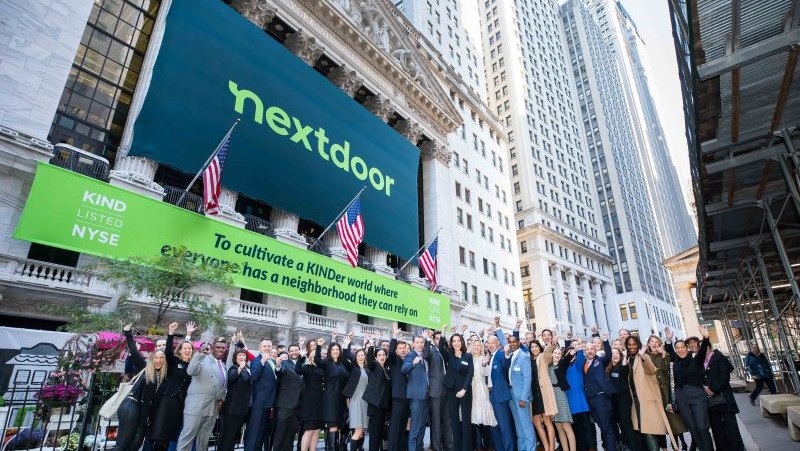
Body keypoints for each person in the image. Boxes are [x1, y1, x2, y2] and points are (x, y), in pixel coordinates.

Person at [115, 327, 166, 451]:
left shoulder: (164, 376)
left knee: (136, 444)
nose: (158, 360)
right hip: (132, 406)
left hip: (144, 412)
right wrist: (128, 333)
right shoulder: (144, 367)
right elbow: (134, 351)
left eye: (161, 358)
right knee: (123, 444)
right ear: (152, 358)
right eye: (156, 357)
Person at [665, 326, 714, 451]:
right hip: (682, 397)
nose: (680, 350)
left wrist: (706, 337)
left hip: (697, 396)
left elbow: (702, 350)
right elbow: (669, 351)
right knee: (692, 427)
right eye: (678, 348)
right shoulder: (675, 362)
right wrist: (669, 340)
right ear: (676, 350)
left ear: (686, 348)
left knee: (702, 427)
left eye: (682, 347)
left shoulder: (695, 359)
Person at [151, 322, 196, 451]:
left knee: (172, 436)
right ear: (180, 351)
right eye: (184, 349)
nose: (187, 350)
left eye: (190, 349)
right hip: (167, 400)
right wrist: (170, 333)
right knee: (160, 435)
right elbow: (168, 352)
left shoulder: (193, 366)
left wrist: (189, 335)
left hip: (181, 404)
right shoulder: (174, 361)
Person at [626, 335, 676, 451]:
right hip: (636, 401)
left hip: (647, 400)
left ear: (638, 344)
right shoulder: (629, 359)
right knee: (644, 431)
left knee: (649, 431)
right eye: (629, 345)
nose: (632, 347)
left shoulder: (644, 356)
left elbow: (651, 370)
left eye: (634, 344)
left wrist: (643, 356)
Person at [177, 338, 228, 451]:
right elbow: (191, 371)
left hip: (213, 407)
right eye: (218, 347)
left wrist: (221, 399)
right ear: (212, 348)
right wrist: (200, 353)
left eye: (223, 348)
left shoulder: (223, 366)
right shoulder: (202, 359)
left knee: (203, 441)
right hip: (196, 405)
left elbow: (224, 386)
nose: (220, 349)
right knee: (187, 437)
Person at [645, 335, 687, 450]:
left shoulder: (665, 355)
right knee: (659, 423)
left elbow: (667, 369)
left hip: (666, 391)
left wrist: (663, 354)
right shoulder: (644, 356)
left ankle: (677, 446)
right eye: (651, 341)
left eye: (656, 341)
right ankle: (663, 447)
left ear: (659, 344)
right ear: (648, 344)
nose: (654, 343)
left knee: (674, 421)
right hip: (653, 393)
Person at [704, 342, 745, 451]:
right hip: (711, 402)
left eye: (705, 347)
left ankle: (737, 449)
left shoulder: (719, 357)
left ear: (710, 347)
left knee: (731, 427)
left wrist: (712, 389)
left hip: (724, 398)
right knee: (717, 429)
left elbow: (724, 377)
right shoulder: (702, 361)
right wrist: (705, 388)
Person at [315, 335, 352, 451]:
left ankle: (333, 447)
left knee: (338, 426)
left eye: (337, 350)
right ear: (330, 352)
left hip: (341, 399)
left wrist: (346, 346)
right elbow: (317, 361)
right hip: (330, 399)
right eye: (333, 350)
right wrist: (318, 347)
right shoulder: (326, 363)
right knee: (333, 426)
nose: (335, 352)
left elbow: (349, 373)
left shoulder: (343, 364)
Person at [440, 327, 474, 451]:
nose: (456, 343)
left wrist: (464, 389)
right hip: (451, 391)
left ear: (462, 342)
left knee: (466, 422)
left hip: (465, 391)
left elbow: (470, 374)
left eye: (458, 340)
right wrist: (443, 333)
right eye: (454, 341)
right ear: (451, 343)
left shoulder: (468, 356)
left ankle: (467, 448)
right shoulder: (449, 355)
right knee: (454, 421)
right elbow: (440, 349)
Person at [584, 332, 617, 451]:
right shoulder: (584, 364)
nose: (589, 351)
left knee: (607, 428)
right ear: (585, 352)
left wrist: (605, 340)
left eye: (591, 348)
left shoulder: (600, 361)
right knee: (603, 428)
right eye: (587, 349)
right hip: (591, 401)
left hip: (601, 399)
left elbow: (608, 355)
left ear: (595, 349)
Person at [245, 339, 278, 451]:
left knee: (261, 433)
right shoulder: (256, 361)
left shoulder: (272, 362)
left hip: (269, 403)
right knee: (254, 432)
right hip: (259, 403)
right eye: (265, 346)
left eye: (269, 346)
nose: (267, 348)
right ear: (260, 348)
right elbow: (254, 377)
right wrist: (262, 362)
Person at [402, 333, 432, 451]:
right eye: (417, 342)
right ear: (413, 344)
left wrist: (428, 339)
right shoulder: (410, 355)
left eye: (422, 342)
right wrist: (413, 363)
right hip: (416, 396)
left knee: (422, 426)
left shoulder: (425, 356)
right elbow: (403, 370)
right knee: (415, 426)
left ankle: (419, 448)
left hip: (426, 395)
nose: (420, 345)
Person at [486, 328, 514, 451]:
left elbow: (506, 364)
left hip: (500, 396)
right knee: (493, 426)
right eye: (488, 343)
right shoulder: (487, 358)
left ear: (498, 343)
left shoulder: (502, 354)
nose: (490, 345)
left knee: (505, 427)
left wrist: (507, 354)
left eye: (493, 342)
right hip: (489, 396)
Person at [218, 349, 252, 451]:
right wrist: (240, 368)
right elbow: (232, 378)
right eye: (240, 355)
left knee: (234, 435)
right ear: (235, 357)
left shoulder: (247, 369)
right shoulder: (234, 368)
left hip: (242, 409)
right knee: (228, 435)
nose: (242, 357)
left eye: (244, 355)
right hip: (232, 409)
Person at [564, 338, 594, 451]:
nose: (571, 355)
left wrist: (580, 348)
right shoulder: (564, 367)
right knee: (578, 429)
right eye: (569, 354)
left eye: (573, 354)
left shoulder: (578, 365)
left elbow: (580, 358)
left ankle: (591, 447)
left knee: (587, 427)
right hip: (571, 402)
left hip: (582, 402)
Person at [362, 339, 391, 451]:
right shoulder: (374, 366)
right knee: (374, 433)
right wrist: (372, 346)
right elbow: (369, 360)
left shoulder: (386, 370)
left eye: (383, 354)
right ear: (376, 357)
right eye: (379, 355)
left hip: (383, 406)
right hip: (375, 405)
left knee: (379, 433)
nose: (382, 356)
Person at [273, 349, 304, 451]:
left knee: (291, 435)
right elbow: (279, 371)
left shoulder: (304, 364)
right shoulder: (284, 363)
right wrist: (278, 365)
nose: (294, 352)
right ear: (289, 353)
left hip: (299, 406)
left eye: (296, 350)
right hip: (285, 404)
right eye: (292, 351)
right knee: (280, 433)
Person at [530, 337, 558, 451]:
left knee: (547, 421)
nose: (534, 348)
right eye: (532, 347)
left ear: (539, 347)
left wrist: (551, 344)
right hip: (533, 394)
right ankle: (546, 447)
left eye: (536, 346)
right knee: (537, 422)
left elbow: (547, 353)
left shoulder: (543, 357)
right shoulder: (528, 360)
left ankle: (551, 447)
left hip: (543, 393)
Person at [297, 340, 325, 451]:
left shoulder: (322, 369)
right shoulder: (306, 368)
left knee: (317, 430)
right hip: (309, 403)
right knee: (308, 431)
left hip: (320, 403)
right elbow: (297, 370)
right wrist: (301, 357)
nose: (316, 358)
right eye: (313, 356)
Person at [470, 336, 496, 451]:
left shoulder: (483, 359)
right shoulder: (468, 358)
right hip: (470, 390)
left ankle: (487, 447)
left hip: (481, 390)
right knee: (474, 421)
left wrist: (485, 364)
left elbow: (487, 373)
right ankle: (477, 447)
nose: (476, 347)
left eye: (478, 345)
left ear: (481, 347)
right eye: (474, 345)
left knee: (484, 420)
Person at [607, 347, 636, 451]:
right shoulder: (609, 368)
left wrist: (624, 358)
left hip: (624, 399)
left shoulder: (622, 366)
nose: (614, 355)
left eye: (617, 353)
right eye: (612, 353)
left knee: (626, 424)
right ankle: (626, 445)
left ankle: (634, 447)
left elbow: (625, 370)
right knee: (621, 424)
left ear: (620, 356)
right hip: (614, 401)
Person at [429, 330, 453, 451]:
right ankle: (437, 448)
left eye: (440, 338)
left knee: (447, 421)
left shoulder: (445, 352)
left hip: (447, 390)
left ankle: (449, 447)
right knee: (436, 422)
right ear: (433, 340)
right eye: (436, 338)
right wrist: (427, 340)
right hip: (435, 391)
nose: (439, 340)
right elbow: (426, 355)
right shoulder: (430, 351)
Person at [387, 326, 410, 451]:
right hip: (397, 398)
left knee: (402, 427)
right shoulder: (394, 360)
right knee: (395, 428)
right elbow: (390, 353)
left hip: (408, 399)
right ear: (396, 350)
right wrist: (394, 336)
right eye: (400, 348)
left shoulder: (408, 360)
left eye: (404, 348)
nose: (402, 350)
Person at [343, 347, 369, 451]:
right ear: (355, 357)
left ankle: (359, 449)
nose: (361, 357)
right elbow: (344, 359)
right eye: (358, 355)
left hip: (365, 402)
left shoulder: (368, 369)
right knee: (358, 431)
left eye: (362, 355)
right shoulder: (354, 368)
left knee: (362, 432)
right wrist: (345, 347)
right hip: (356, 400)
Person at [550, 346, 575, 451]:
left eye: (559, 354)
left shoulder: (562, 366)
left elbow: (567, 359)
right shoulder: (548, 367)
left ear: (561, 356)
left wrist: (573, 351)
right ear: (552, 354)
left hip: (560, 395)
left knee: (566, 426)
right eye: (555, 353)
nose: (557, 355)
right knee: (559, 428)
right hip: (552, 398)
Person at [745, 341, 777, 405]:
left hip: (767, 374)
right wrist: (752, 374)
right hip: (757, 375)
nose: (755, 349)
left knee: (772, 387)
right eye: (754, 348)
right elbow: (748, 366)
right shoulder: (749, 356)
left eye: (756, 348)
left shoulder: (762, 356)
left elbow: (767, 364)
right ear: (751, 349)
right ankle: (752, 397)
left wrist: (770, 372)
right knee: (759, 387)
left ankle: (776, 401)